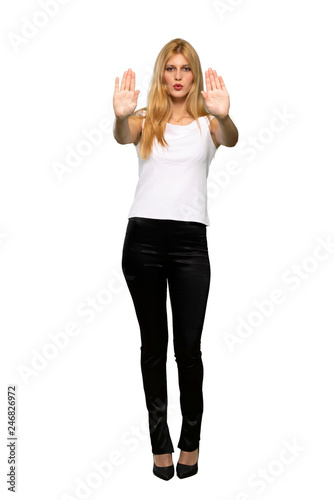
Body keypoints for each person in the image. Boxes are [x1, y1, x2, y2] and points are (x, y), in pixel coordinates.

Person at [113, 38, 238, 480]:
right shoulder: (145, 122)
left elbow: (232, 138)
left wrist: (224, 115)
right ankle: (159, 444)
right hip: (143, 240)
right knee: (154, 348)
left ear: (195, 74)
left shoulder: (208, 126)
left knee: (188, 349)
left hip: (189, 245)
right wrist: (120, 114)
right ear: (161, 75)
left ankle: (191, 441)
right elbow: (121, 134)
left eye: (186, 68)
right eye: (170, 68)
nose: (178, 75)